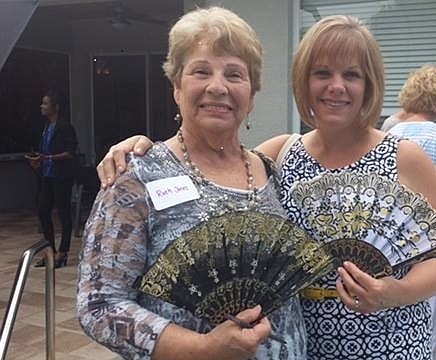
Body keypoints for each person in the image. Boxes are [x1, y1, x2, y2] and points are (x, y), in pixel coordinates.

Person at [95, 14, 436, 360]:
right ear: (304, 81)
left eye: (352, 75)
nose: (336, 86)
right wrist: (141, 148)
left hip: (387, 344)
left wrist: (394, 293)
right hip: (303, 346)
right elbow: (205, 166)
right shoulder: (279, 156)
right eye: (322, 73)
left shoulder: (404, 157)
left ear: (369, 85)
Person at [76, 7, 306, 360]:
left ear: (252, 94)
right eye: (201, 71)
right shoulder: (135, 177)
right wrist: (203, 348)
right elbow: (100, 305)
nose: (218, 87)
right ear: (177, 87)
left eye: (235, 74)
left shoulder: (268, 171)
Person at [385, 64, 436, 352]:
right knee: (425, 320)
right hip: (428, 247)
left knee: (390, 314)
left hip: (387, 246)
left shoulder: (388, 132)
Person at [25, 91, 78, 268]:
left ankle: (63, 252)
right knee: (42, 211)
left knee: (63, 213)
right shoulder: (46, 127)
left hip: (62, 176)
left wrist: (46, 159)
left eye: (45, 104)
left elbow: (70, 153)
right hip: (47, 175)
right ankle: (50, 251)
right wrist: (37, 162)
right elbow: (45, 151)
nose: (42, 106)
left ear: (55, 107)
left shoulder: (64, 127)